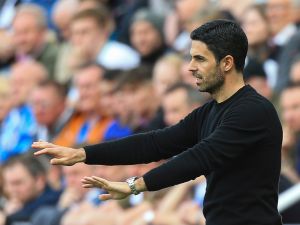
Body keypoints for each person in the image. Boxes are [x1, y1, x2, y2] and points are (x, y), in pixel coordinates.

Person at [32, 20, 283, 225]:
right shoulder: (209, 112)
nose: (190, 67)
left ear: (227, 63)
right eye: (191, 58)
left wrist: (135, 185)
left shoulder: (253, 111)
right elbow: (156, 143)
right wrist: (83, 153)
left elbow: (200, 157)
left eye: (200, 59)